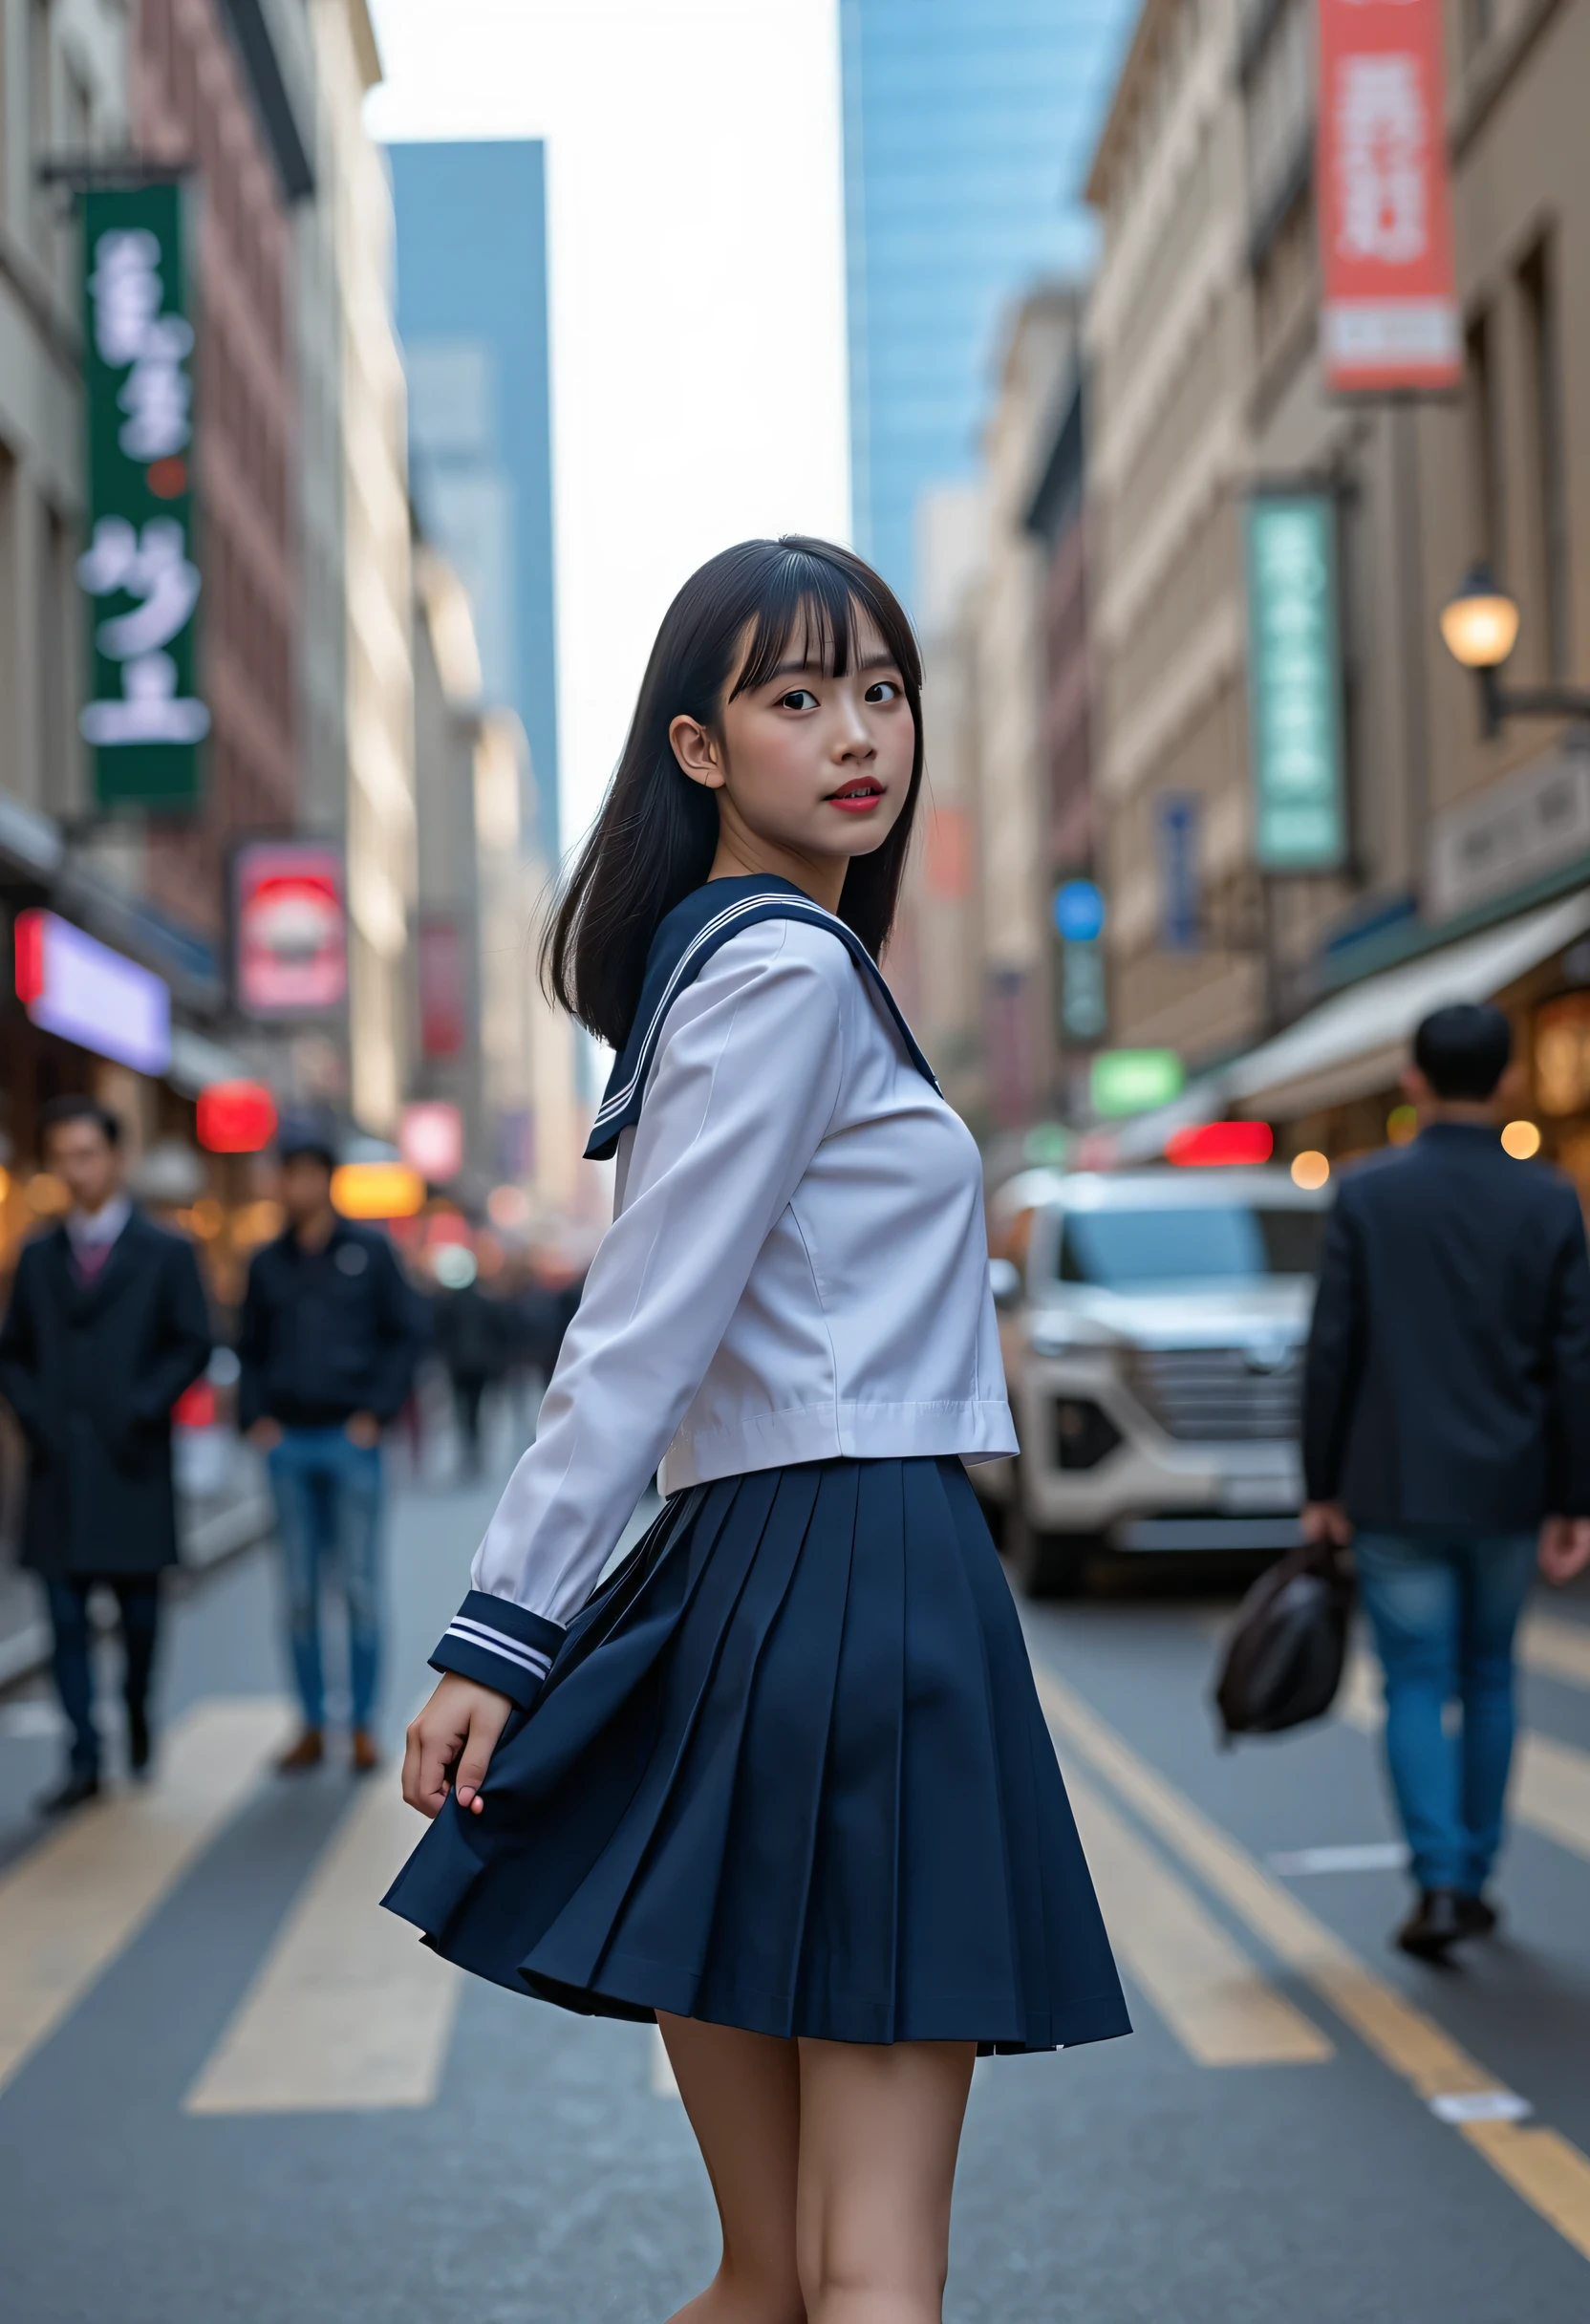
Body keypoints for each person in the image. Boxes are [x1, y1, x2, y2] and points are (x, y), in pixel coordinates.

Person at [387, 537, 1128, 2324]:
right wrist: (498, 1623)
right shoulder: (786, 973)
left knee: (767, 2273)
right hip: (867, 1582)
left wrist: (521, 1624)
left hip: (730, 1600)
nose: (857, 733)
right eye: (794, 698)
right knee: (868, 2274)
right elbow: (639, 1328)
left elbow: (651, 1326)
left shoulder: (716, 969)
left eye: (880, 689)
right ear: (697, 747)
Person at [1302, 1001, 1590, 1961]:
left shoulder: (1365, 1195)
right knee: (1491, 1673)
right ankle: (1473, 1873)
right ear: (1506, 1079)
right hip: (1509, 1483)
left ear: (1412, 1080)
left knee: (1414, 1678)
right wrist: (1572, 1497)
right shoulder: (1551, 1200)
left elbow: (1331, 1347)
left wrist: (1320, 1480)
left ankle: (1432, 1877)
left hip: (1391, 1479)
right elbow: (1573, 1360)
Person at [0, 1096, 211, 1813]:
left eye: (86, 1154)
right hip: (57, 1473)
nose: (74, 1169)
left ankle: (138, 1713)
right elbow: (13, 1354)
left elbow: (193, 1343)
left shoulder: (168, 1252)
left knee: (141, 1618)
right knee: (61, 1621)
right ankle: (84, 1755)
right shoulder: (34, 1256)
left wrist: (143, 1407)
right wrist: (35, 1417)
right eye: (61, 1156)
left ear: (116, 1159)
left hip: (133, 1464)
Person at [238, 1119, 427, 1775]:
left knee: (361, 1588)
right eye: (285, 1174)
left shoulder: (369, 1254)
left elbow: (407, 1334)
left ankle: (365, 1726)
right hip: (288, 1442)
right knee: (297, 1592)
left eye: (305, 1172)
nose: (294, 1185)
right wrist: (256, 1416)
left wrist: (376, 1413)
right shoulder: (266, 1263)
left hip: (352, 1440)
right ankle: (313, 1723)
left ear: (326, 1179)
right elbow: (249, 1349)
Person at [431, 1259, 506, 1475]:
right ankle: (475, 1451)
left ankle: (468, 1451)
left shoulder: (450, 1304)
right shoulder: (486, 1302)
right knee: (475, 1410)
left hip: (459, 1366)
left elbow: (439, 1334)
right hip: (479, 1366)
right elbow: (499, 1335)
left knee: (462, 1411)